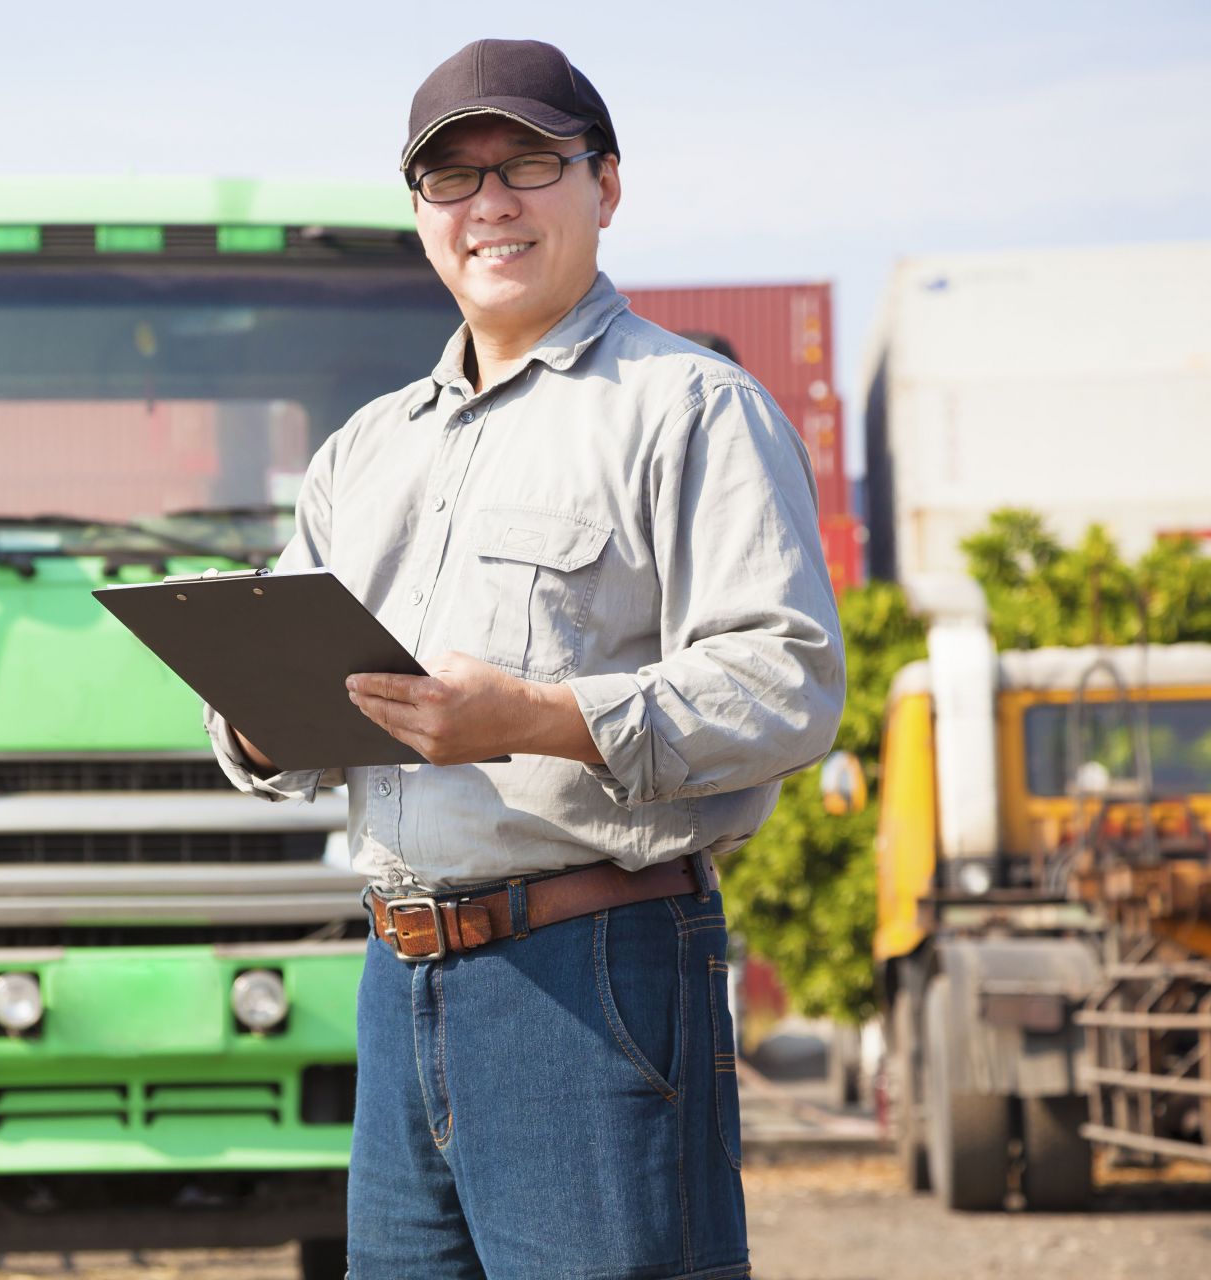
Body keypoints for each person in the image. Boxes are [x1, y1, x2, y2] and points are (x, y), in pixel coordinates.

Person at [203, 37, 845, 1280]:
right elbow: (268, 710)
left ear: (605, 185)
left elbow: (786, 684)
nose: (489, 203)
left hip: (592, 975)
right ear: (421, 215)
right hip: (396, 984)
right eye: (453, 178)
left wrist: (535, 717)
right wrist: (262, 726)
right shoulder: (362, 452)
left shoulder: (688, 407)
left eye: (529, 164)